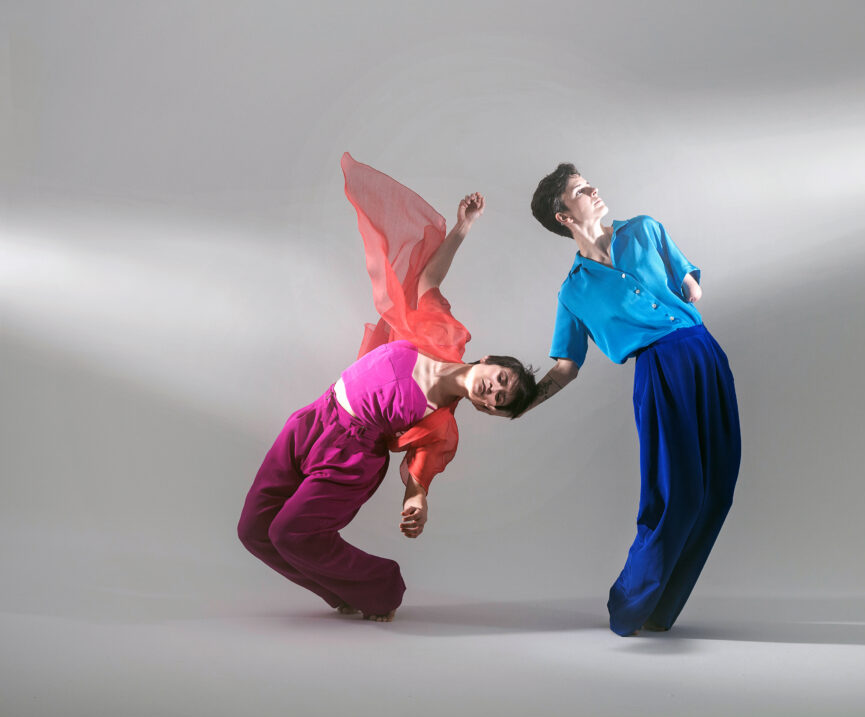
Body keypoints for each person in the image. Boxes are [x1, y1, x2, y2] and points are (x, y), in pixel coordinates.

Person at [238, 154, 537, 622]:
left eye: (499, 400)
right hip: (315, 417)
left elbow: (417, 478)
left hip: (350, 456)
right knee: (255, 531)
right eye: (501, 380)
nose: (494, 391)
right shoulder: (440, 334)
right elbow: (429, 278)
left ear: (488, 411)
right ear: (487, 362)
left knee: (289, 533)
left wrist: (416, 503)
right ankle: (340, 594)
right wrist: (462, 227)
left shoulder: (441, 427)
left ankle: (381, 587)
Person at [528, 163, 741, 636]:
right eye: (581, 190)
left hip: (703, 353)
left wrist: (686, 285)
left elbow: (691, 287)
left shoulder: (645, 229)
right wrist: (523, 403)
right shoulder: (574, 290)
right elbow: (566, 367)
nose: (594, 189)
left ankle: (661, 610)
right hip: (659, 372)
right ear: (563, 216)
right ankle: (630, 603)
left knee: (718, 487)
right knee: (675, 493)